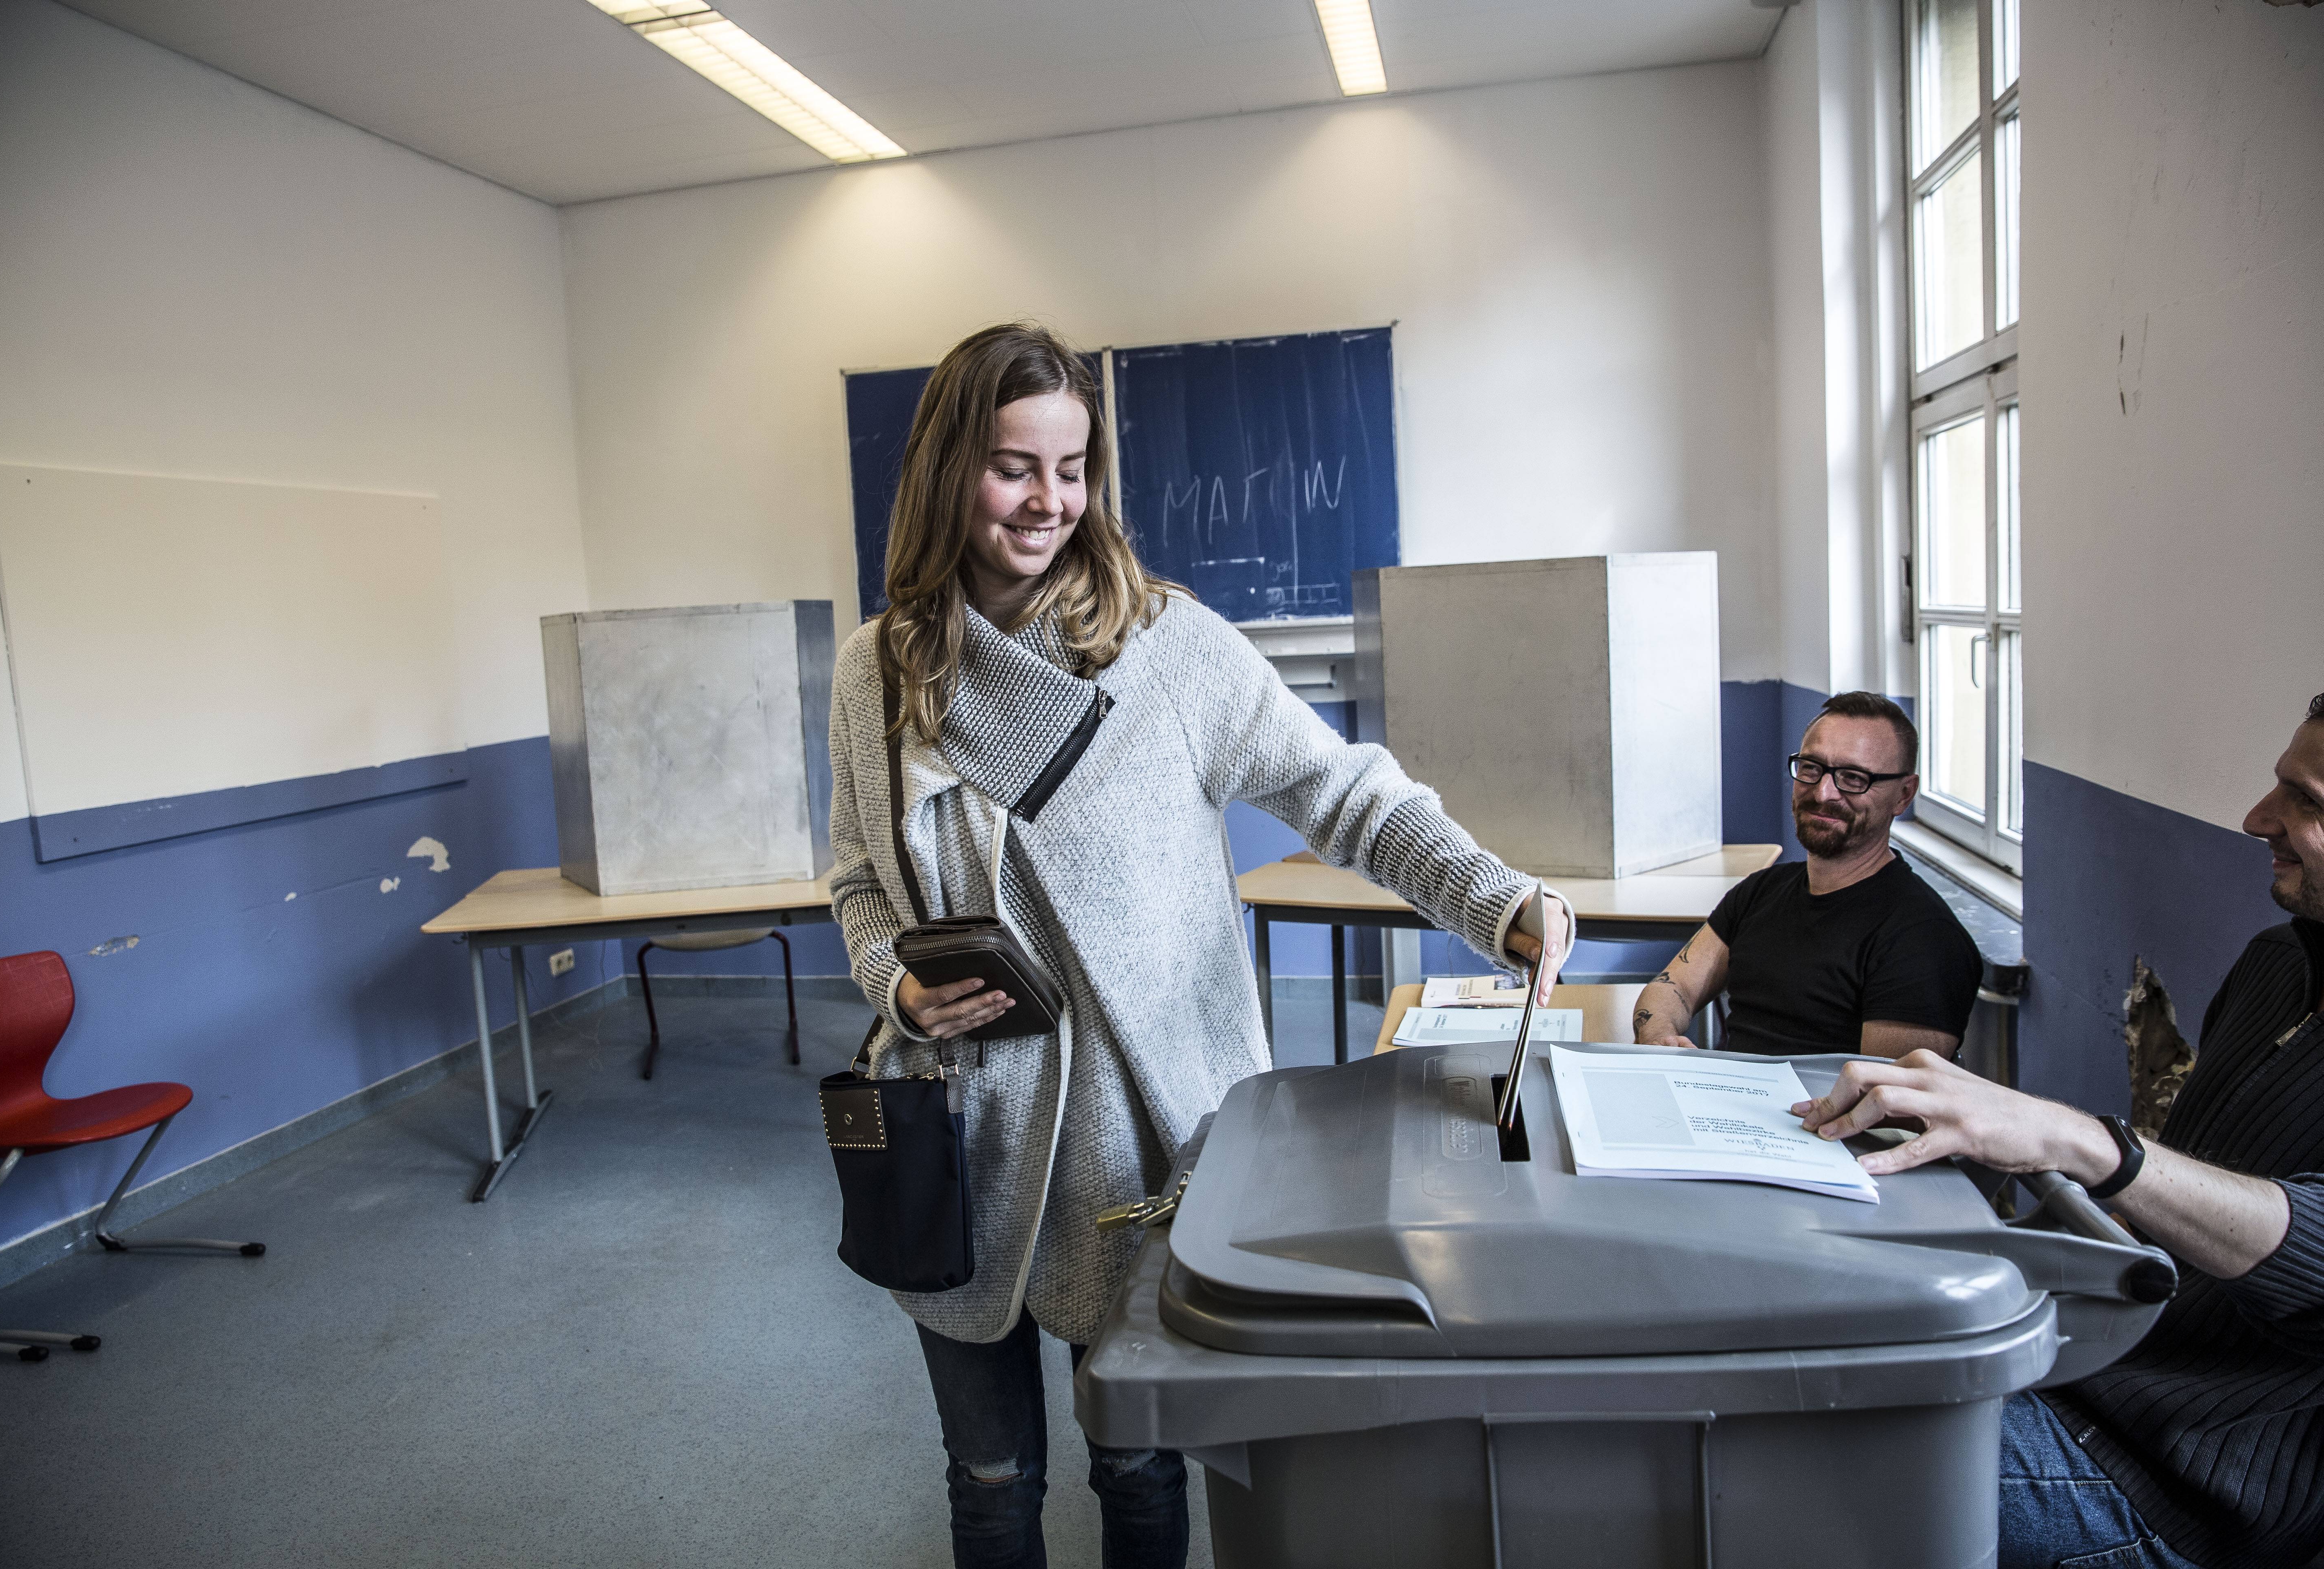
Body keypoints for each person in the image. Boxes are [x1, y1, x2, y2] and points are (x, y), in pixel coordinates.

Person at [825, 321, 1572, 1569]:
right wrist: (897, 983)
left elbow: (1346, 794)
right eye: (1016, 465)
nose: (1050, 500)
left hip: (1137, 1145)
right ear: (951, 468)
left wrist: (1495, 898)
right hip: (956, 1142)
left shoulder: (1165, 645)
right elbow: (856, 874)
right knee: (991, 1479)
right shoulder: (878, 669)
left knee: (1140, 1460)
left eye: (1073, 469)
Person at [1794, 694, 2324, 1569]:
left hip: (2181, 1489)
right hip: (2084, 1376)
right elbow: (2171, 1218)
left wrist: (2083, 1142)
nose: (2257, 819)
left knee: (1789, 1443)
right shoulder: (2279, 960)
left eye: (2307, 801)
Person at [1632, 691, 1982, 1057]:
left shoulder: (1924, 939)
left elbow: (1888, 1101)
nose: (1824, 792)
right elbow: (1674, 987)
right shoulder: (1761, 891)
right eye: (1812, 768)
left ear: (1903, 795)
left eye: (1853, 777)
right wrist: (1659, 1034)